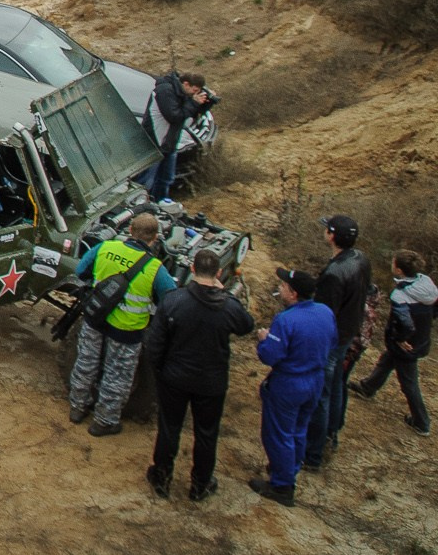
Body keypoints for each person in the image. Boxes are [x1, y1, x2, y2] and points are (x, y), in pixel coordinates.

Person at [144, 248, 255, 501]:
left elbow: (155, 343)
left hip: (175, 376)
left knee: (169, 428)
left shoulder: (173, 300)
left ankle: (161, 477)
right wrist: (224, 292)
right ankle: (200, 484)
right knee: (206, 433)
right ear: (217, 273)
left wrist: (160, 370)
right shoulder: (227, 306)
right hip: (211, 381)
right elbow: (246, 325)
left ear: (192, 269)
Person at [68, 212, 176, 437]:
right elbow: (170, 300)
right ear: (155, 238)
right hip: (127, 331)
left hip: (95, 318)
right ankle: (104, 421)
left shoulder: (105, 248)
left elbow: (80, 271)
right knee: (117, 375)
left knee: (86, 361)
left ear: (129, 231)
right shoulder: (155, 268)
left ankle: (78, 407)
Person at [252, 268, 339, 506]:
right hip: (315, 380)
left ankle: (282, 485)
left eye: (283, 286)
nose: (279, 288)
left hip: (289, 383)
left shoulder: (286, 320)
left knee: (278, 433)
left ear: (293, 293)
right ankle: (290, 467)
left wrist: (263, 340)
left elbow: (270, 356)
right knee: (299, 428)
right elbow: (332, 342)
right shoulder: (325, 311)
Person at [305, 213, 372, 468]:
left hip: (332, 338)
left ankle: (313, 454)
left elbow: (323, 315)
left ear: (331, 236)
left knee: (321, 393)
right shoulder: (360, 258)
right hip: (348, 331)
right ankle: (333, 432)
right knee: (337, 385)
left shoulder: (334, 273)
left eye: (326, 230)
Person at [354, 250, 434, 436]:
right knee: (387, 360)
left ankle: (422, 422)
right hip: (420, 338)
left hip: (406, 344)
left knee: (408, 383)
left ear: (398, 269)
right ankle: (368, 387)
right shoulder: (425, 282)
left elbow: (404, 321)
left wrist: (399, 339)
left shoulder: (400, 294)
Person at [141, 70, 214, 201]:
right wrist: (193, 102)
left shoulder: (183, 93)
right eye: (195, 90)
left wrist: (207, 103)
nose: (195, 94)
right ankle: (140, 204)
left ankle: (160, 203)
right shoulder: (165, 91)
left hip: (170, 143)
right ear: (186, 84)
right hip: (154, 143)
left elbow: (191, 114)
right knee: (146, 180)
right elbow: (174, 116)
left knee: (166, 179)